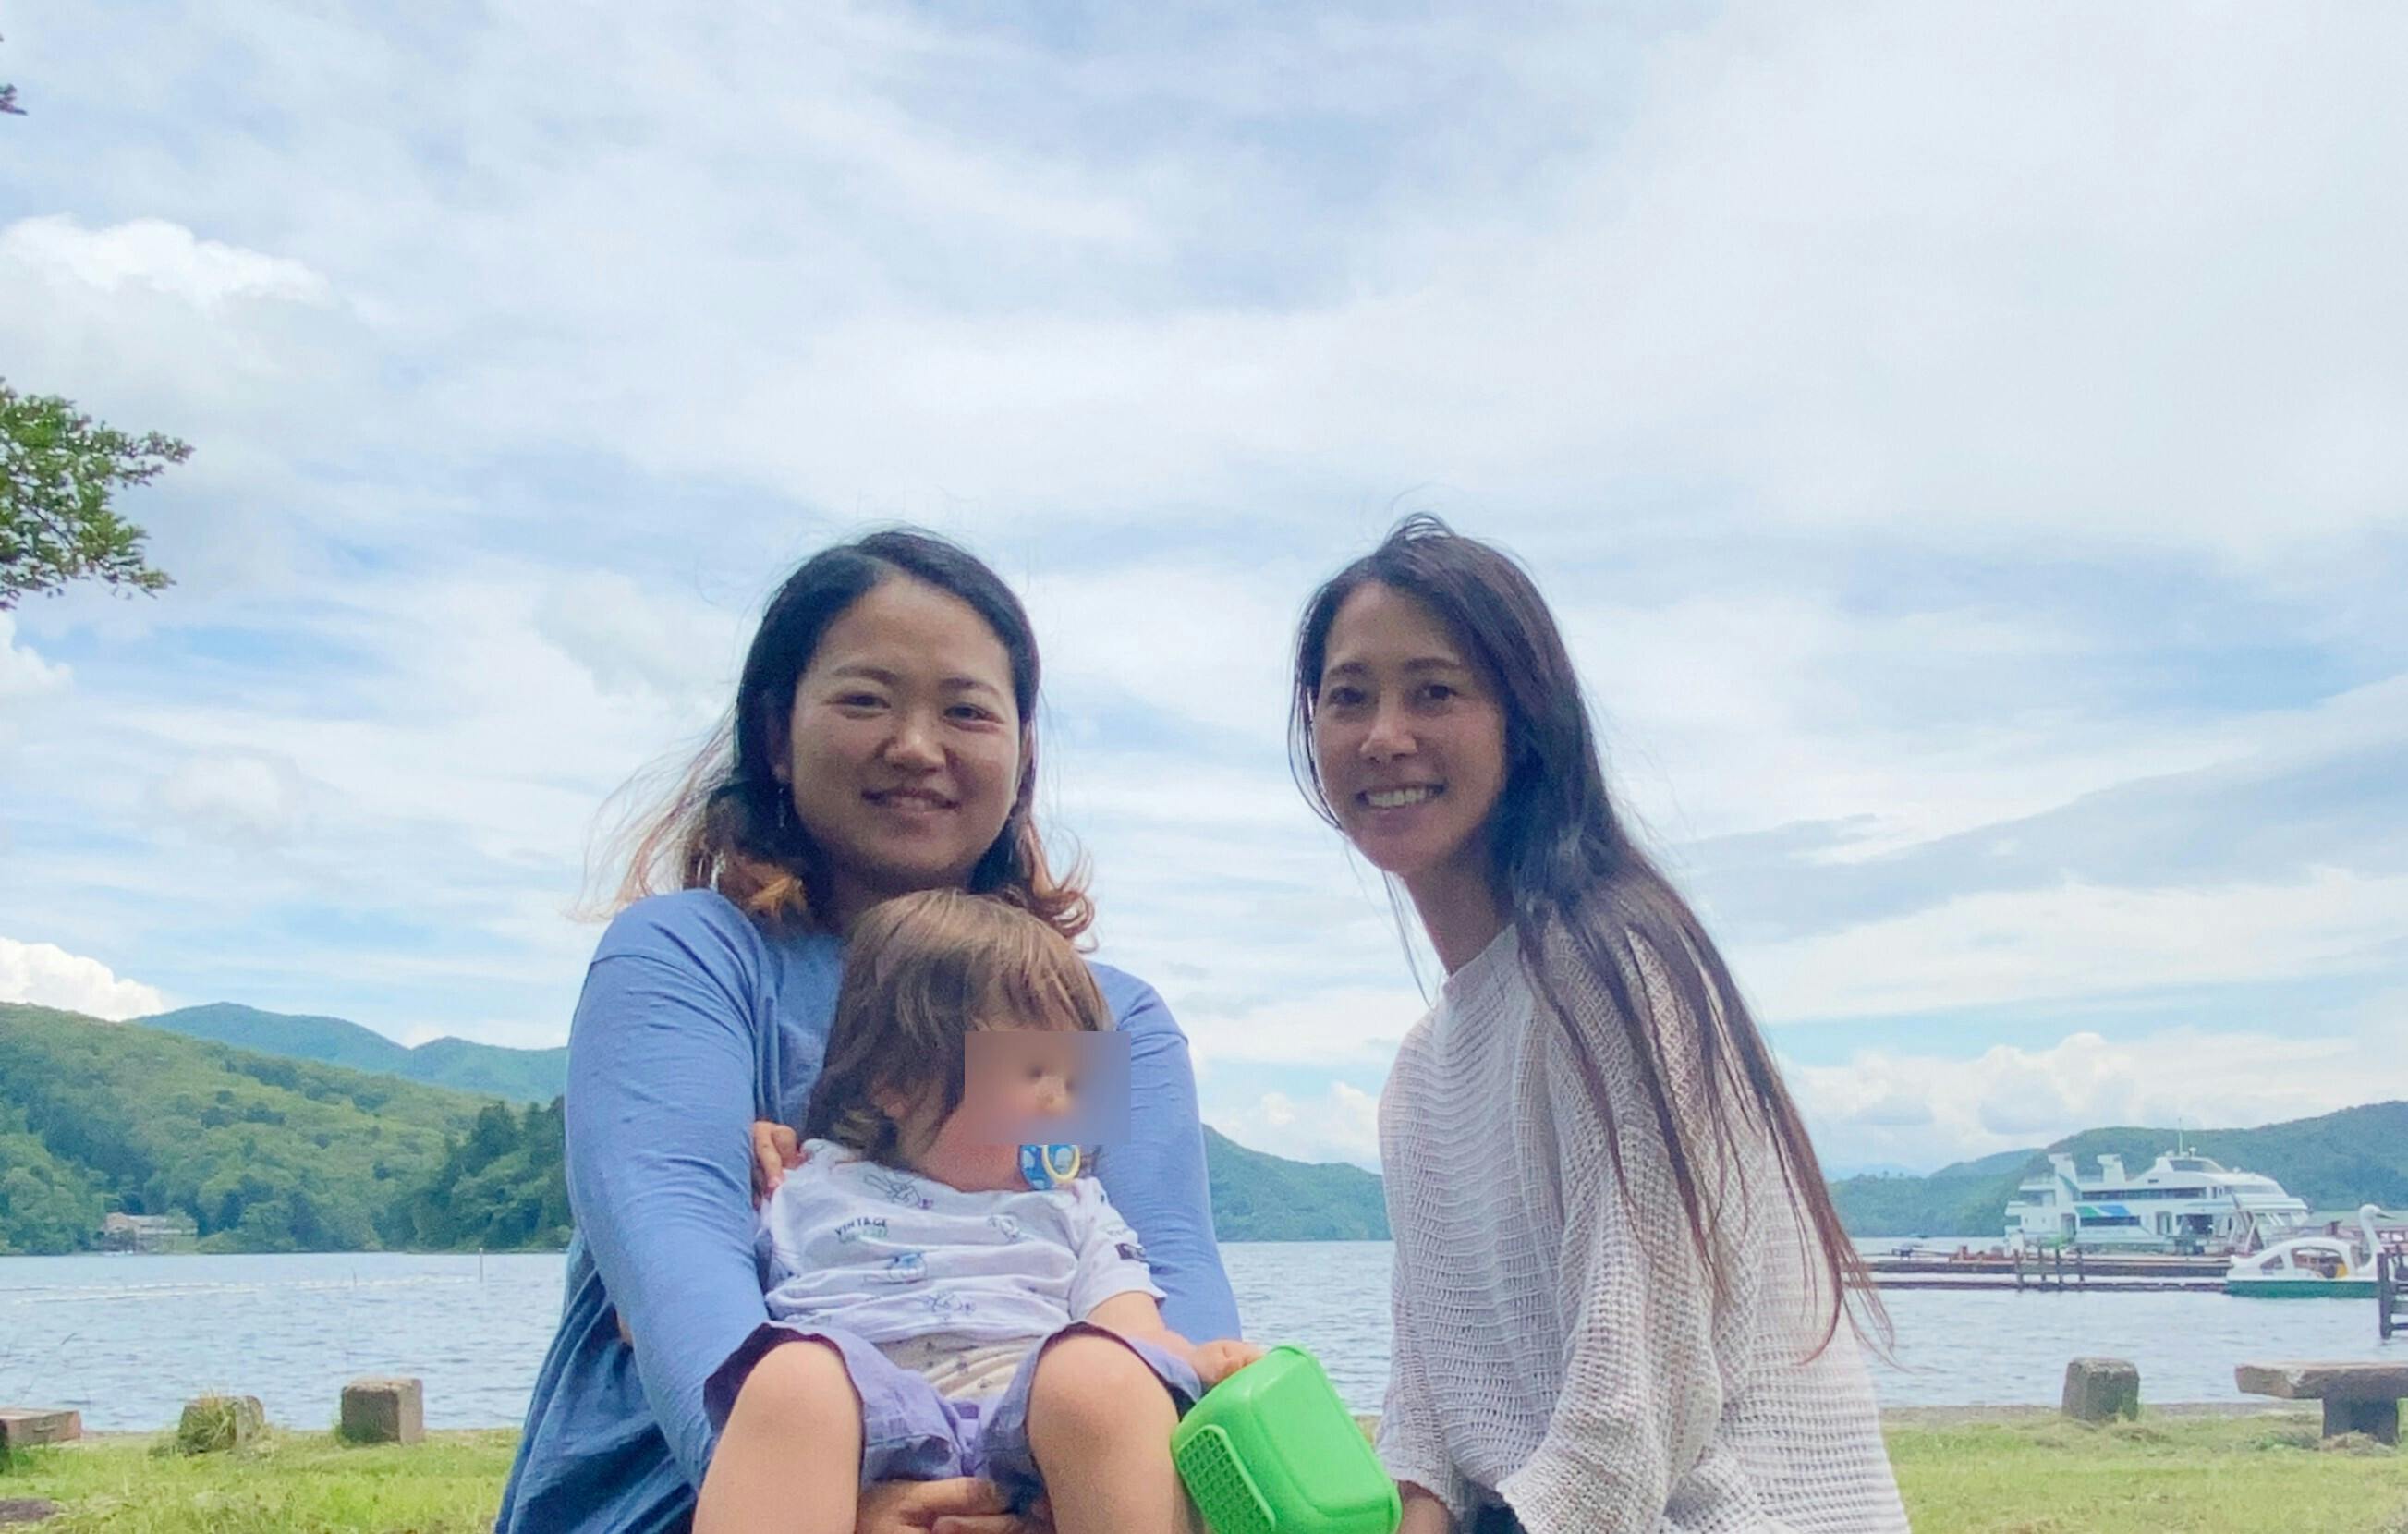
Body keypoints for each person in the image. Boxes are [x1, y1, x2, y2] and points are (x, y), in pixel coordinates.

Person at [497, 530, 1238, 1534]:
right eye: (865, 700)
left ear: (1021, 756)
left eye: (966, 711)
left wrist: (1032, 1504)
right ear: (775, 734)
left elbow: (1160, 1294)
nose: (917, 746)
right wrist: (845, 1507)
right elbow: (678, 1284)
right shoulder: (698, 958)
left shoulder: (1080, 1016)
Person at [1290, 517, 1907, 1534]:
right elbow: (1428, 1409)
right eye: (1348, 697)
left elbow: (1630, 1422)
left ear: (1524, 721)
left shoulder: (1614, 972)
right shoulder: (1420, 1072)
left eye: (1434, 692)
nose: (1383, 735)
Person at [697, 888, 1261, 1534]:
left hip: (1031, 1433)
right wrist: (744, 1161)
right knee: (791, 1379)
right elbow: (696, 1290)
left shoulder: (1077, 1210)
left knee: (1101, 1373)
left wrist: (1201, 1361)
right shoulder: (808, 1183)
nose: (1058, 1106)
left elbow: (1133, 1329)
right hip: (862, 1435)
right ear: (896, 1083)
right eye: (1031, 1071)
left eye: (1078, 1080)